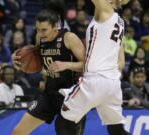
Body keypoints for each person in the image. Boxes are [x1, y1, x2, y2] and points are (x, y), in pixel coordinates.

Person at [58, 0, 132, 135]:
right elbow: (121, 62)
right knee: (116, 129)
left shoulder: (106, 12)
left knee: (64, 122)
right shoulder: (120, 22)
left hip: (95, 80)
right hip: (113, 84)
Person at [12, 7, 86, 135]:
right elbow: (34, 59)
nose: (41, 33)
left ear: (54, 27)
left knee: (63, 131)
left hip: (71, 97)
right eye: (38, 29)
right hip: (49, 94)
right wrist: (18, 60)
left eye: (44, 30)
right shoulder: (40, 38)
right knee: (18, 132)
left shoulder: (69, 38)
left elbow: (89, 65)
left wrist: (67, 65)